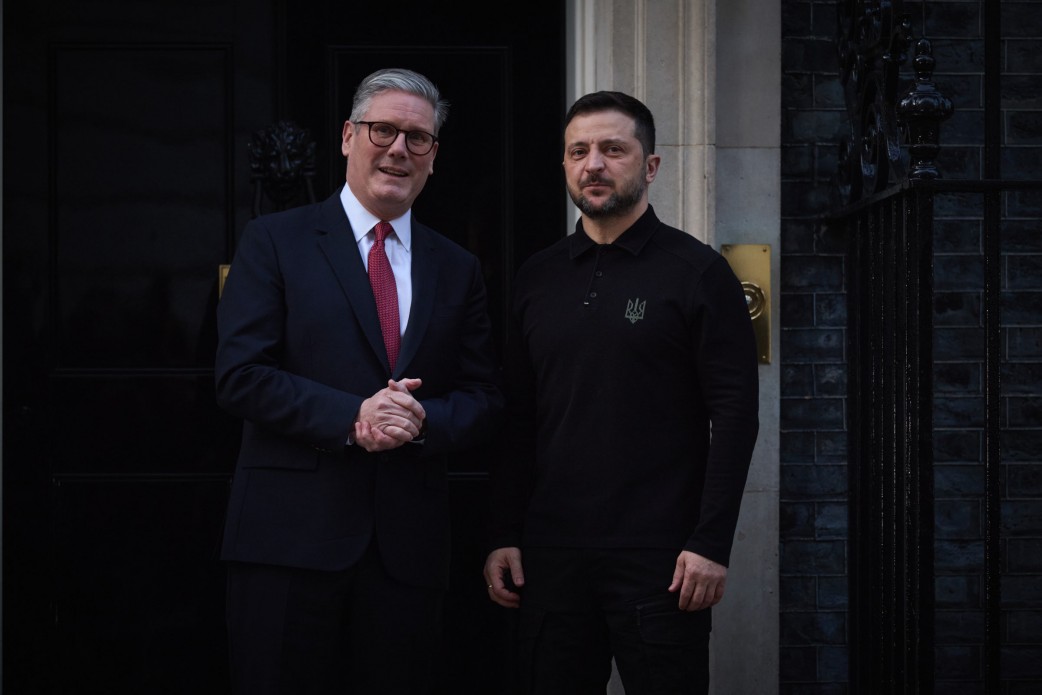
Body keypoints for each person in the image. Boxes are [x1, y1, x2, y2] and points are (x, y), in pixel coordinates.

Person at [216, 67, 504, 694]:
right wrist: (355, 417)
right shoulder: (274, 241)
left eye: (417, 138)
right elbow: (240, 376)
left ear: (433, 157)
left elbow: (484, 397)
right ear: (348, 136)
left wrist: (422, 421)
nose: (399, 149)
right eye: (383, 130)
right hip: (287, 544)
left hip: (406, 553)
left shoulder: (457, 268)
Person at [483, 90, 760, 694]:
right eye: (578, 151)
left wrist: (710, 543)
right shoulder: (537, 276)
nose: (594, 165)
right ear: (563, 163)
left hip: (662, 561)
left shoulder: (699, 273)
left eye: (614, 149)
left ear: (650, 165)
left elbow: (735, 416)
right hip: (551, 557)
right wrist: (504, 531)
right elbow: (519, 415)